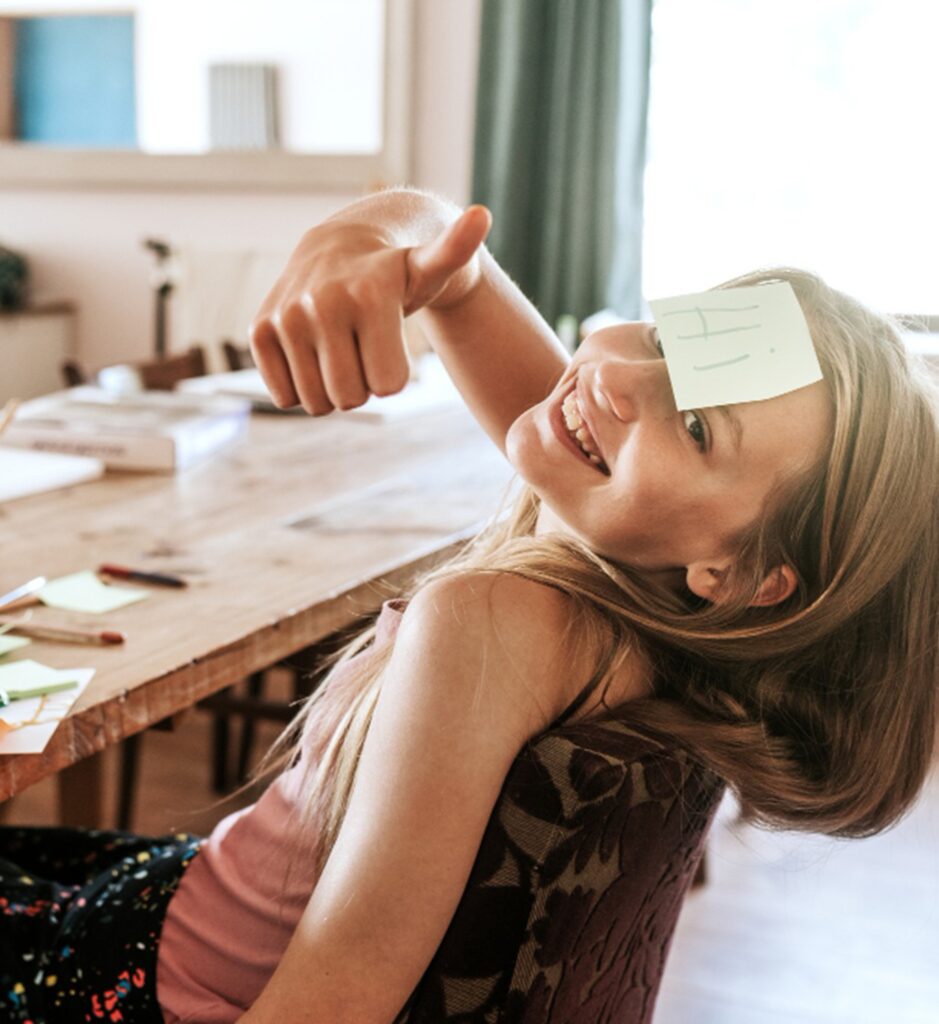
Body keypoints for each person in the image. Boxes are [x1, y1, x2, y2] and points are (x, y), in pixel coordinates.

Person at [2, 188, 937, 1024]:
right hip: (186, 908)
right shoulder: (666, 602)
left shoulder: (493, 623)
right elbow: (458, 273)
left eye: (695, 425)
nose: (614, 377)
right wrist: (366, 232)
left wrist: (372, 238)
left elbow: (337, 994)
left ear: (742, 574)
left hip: (153, 977)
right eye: (664, 343)